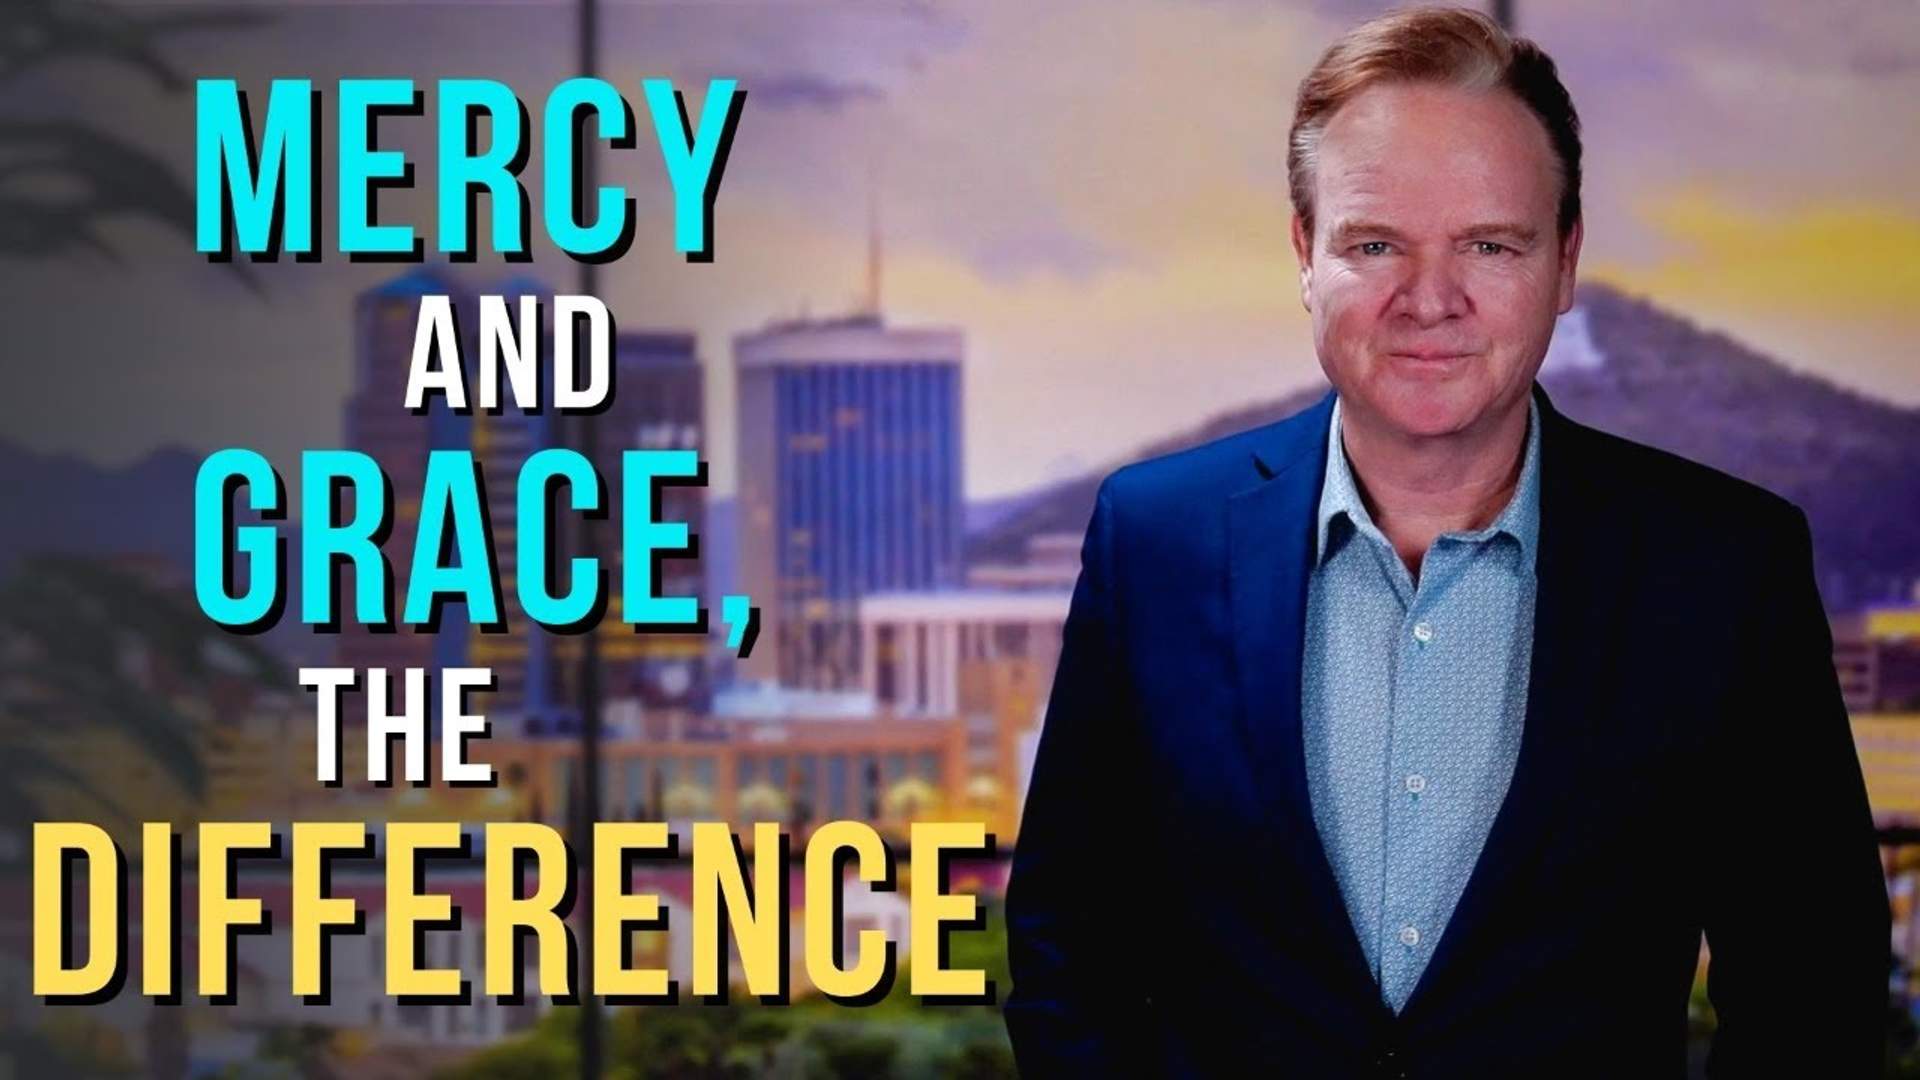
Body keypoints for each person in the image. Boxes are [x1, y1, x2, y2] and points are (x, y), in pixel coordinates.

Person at [1001, 7, 1890, 1077]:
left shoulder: (1722, 569)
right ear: (1304, 252)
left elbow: (1816, 986)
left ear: (1564, 262)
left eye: (1488, 244)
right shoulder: (1154, 538)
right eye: (1376, 244)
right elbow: (1069, 944)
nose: (1430, 300)